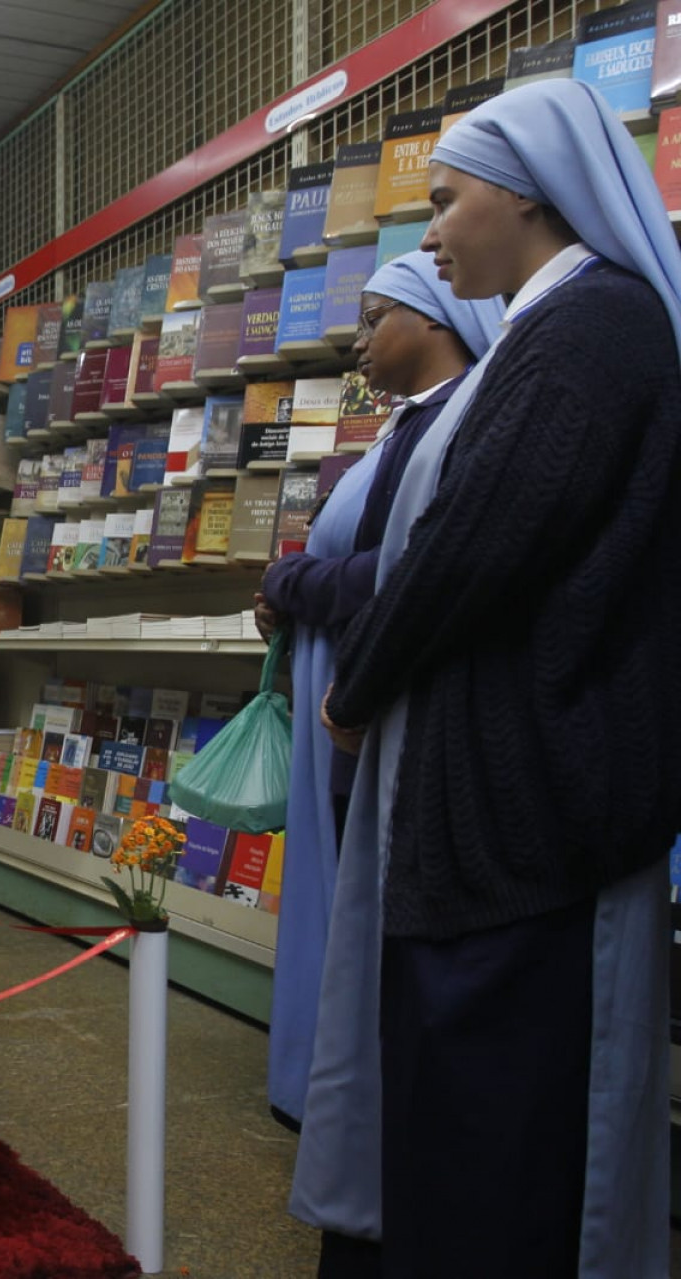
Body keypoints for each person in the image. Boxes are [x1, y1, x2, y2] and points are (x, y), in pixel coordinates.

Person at [300, 80, 678, 1276]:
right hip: (495, 813)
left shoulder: (591, 329)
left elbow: (470, 550)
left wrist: (354, 689)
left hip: (524, 819)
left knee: (496, 1141)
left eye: (449, 200)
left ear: (525, 192)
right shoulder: (551, 329)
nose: (432, 232)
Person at [255, 251, 503, 1277]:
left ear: (438, 317)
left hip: (371, 711)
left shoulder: (453, 423)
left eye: (377, 316)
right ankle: (319, 1079)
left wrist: (292, 580)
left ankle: (345, 1090)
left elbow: (394, 576)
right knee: (324, 896)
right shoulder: (397, 428)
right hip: (336, 697)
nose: (360, 340)